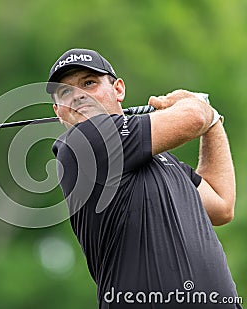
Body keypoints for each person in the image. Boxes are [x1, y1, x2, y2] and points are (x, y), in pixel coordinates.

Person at [46, 48, 241, 308]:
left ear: (118, 90)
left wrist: (214, 121)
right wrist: (197, 105)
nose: (78, 95)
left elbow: (221, 205)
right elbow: (193, 118)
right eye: (65, 92)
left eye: (89, 83)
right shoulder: (82, 145)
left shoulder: (162, 160)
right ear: (59, 111)